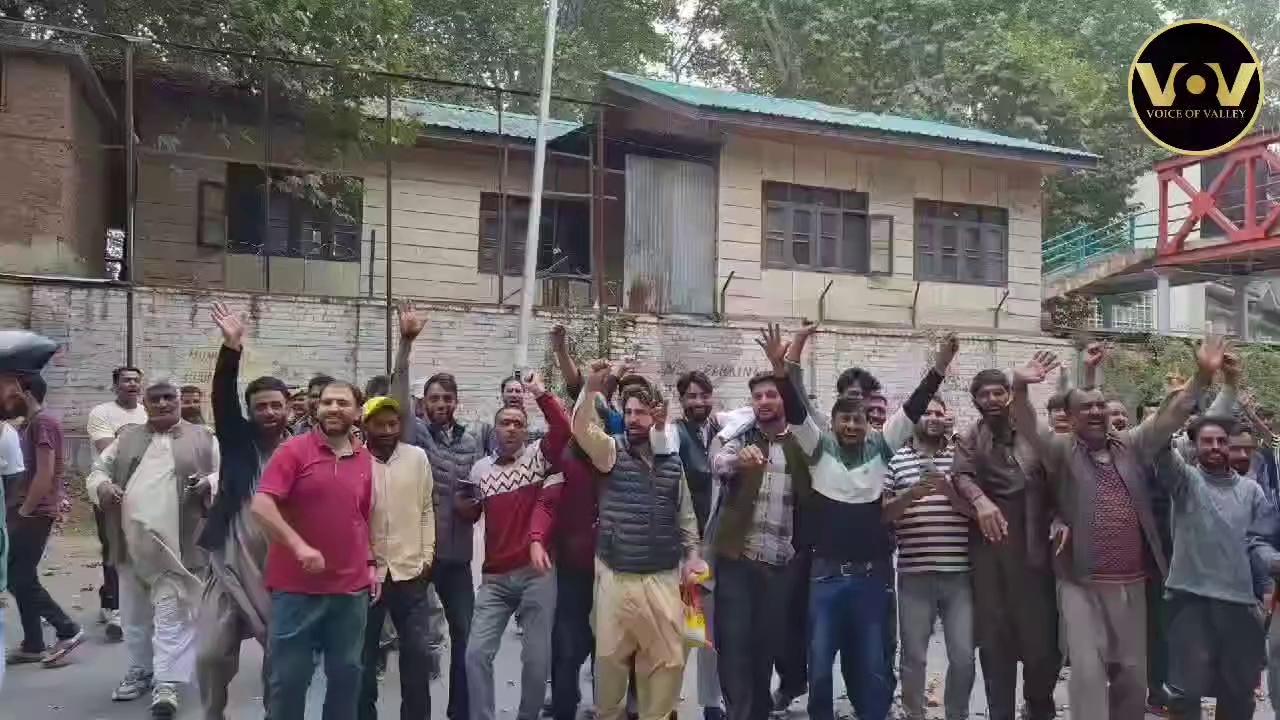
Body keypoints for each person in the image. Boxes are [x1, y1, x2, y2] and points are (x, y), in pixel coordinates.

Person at [1007, 335, 1229, 720]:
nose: (1095, 412)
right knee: (1088, 677)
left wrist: (1201, 377)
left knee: (1132, 676)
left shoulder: (1132, 444)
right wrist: (1020, 385)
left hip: (1130, 583)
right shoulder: (1060, 450)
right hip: (1080, 583)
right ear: (1072, 419)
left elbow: (1170, 417)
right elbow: (1027, 423)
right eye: (1086, 408)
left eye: (1100, 406)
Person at [766, 326, 955, 720]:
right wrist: (781, 371)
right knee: (818, 666)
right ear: (832, 423)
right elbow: (797, 408)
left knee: (872, 665)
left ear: (868, 422)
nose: (851, 425)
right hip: (826, 577)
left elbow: (915, 407)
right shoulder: (817, 448)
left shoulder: (882, 448)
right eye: (844, 420)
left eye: (858, 420)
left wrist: (940, 366)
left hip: (871, 579)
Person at [572, 359, 706, 720]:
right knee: (610, 669)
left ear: (655, 415)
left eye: (641, 412)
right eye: (628, 412)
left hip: (663, 577)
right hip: (617, 578)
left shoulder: (672, 463)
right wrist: (591, 389)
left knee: (666, 666)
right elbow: (582, 429)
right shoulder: (610, 451)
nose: (633, 419)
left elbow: (687, 518)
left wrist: (693, 555)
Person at [87, 379, 220, 718]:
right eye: (155, 398)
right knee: (134, 616)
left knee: (171, 616)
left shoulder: (204, 438)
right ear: (144, 402)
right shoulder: (127, 438)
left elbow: (227, 474)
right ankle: (141, 670)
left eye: (168, 397)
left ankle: (167, 684)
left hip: (178, 547)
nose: (162, 404)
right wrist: (103, 487)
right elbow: (98, 471)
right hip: (132, 543)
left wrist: (209, 483)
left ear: (178, 400)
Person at [251, 380, 376, 720]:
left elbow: (360, 518)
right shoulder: (293, 451)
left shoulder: (363, 458)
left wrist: (369, 564)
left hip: (350, 592)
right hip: (296, 590)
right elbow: (262, 505)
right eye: (327, 402)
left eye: (343, 403)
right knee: (289, 681)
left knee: (346, 677)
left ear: (357, 411)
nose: (334, 408)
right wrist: (298, 546)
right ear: (315, 408)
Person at [196, 302, 293, 720]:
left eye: (276, 405)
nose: (268, 413)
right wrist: (231, 348)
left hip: (280, 573)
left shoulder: (303, 450)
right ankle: (212, 712)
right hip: (228, 564)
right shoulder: (238, 442)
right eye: (260, 406)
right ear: (250, 411)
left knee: (280, 662)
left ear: (290, 408)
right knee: (210, 654)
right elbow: (222, 397)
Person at [949, 369, 1060, 720]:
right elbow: (961, 475)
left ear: (1010, 396)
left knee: (1042, 649)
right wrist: (980, 499)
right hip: (992, 556)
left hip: (1036, 555)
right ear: (976, 401)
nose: (992, 400)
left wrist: (1061, 517)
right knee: (995, 647)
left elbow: (1060, 480)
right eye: (985, 395)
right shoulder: (971, 436)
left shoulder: (1033, 434)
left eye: (999, 393)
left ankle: (1038, 706)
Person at [460, 371, 570, 720]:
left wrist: (540, 393)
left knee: (537, 660)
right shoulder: (480, 471)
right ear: (495, 430)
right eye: (504, 423)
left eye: (517, 423)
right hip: (494, 579)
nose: (510, 428)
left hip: (536, 574)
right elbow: (470, 511)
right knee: (475, 654)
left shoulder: (539, 457)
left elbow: (564, 429)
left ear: (526, 430)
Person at [390, 305, 482, 720]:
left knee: (467, 636)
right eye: (433, 398)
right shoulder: (413, 435)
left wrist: (476, 504)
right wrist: (406, 344)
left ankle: (458, 711)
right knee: (418, 642)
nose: (440, 403)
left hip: (458, 558)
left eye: (447, 398)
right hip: (418, 558)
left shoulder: (473, 440)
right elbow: (396, 397)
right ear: (422, 403)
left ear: (456, 402)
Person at [1157, 412, 1278, 720]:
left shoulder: (1252, 491)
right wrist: (1181, 402)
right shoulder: (1184, 480)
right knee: (1185, 695)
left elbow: (1260, 544)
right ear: (1193, 446)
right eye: (1207, 441)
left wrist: (1268, 585)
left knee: (1238, 698)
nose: (1215, 447)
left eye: (1221, 441)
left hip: (1239, 606)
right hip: (1189, 602)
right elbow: (1157, 443)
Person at [883, 396, 974, 720]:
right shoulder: (896, 459)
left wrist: (949, 492)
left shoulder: (961, 457)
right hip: (914, 574)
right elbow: (882, 515)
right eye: (927, 412)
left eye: (939, 412)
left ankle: (957, 714)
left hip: (960, 575)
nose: (934, 417)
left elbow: (977, 513)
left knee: (963, 656)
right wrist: (911, 494)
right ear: (915, 418)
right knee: (914, 657)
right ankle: (913, 714)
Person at [358, 394, 436, 720]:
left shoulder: (417, 458)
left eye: (393, 423)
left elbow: (426, 508)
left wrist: (427, 556)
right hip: (367, 578)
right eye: (380, 424)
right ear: (366, 426)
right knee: (362, 659)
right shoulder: (355, 461)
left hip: (410, 573)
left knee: (417, 656)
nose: (388, 430)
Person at [5, 374, 85, 668]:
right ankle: (34, 643)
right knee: (19, 576)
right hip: (27, 510)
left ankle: (67, 629)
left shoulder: (43, 423)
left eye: (7, 391)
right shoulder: (28, 425)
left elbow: (45, 473)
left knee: (19, 577)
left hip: (34, 513)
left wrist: (25, 510)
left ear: (23, 392)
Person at [546, 325, 601, 720]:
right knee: (566, 644)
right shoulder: (564, 447)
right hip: (570, 564)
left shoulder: (615, 443)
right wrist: (562, 350)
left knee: (610, 650)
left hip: (613, 565)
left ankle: (610, 707)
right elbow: (574, 387)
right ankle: (564, 706)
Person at [675, 369, 724, 720]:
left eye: (703, 395)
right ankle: (665, 698)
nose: (698, 402)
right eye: (691, 396)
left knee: (708, 629)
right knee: (679, 628)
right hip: (683, 547)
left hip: (716, 546)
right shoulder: (675, 436)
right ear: (681, 401)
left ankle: (711, 702)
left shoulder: (722, 432)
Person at [86, 365, 146, 641]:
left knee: (138, 548)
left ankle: (116, 599)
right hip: (110, 490)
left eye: (136, 380)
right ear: (115, 385)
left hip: (144, 491)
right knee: (113, 547)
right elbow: (110, 451)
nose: (132, 384)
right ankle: (114, 607)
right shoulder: (101, 413)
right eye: (126, 380)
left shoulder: (148, 411)